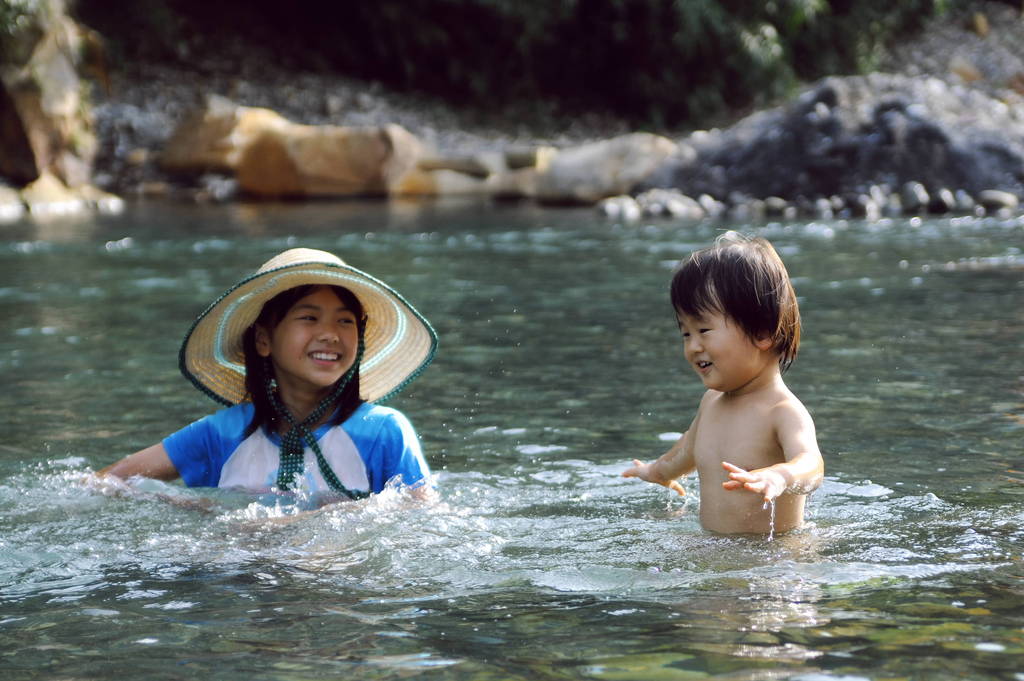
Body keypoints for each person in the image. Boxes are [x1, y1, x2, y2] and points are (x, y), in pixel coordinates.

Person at [98, 247, 438, 507]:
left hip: (338, 594)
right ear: (263, 340)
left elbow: (421, 515)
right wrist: (190, 506)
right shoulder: (222, 433)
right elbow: (106, 482)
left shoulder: (383, 432)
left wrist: (314, 520)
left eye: (345, 321)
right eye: (309, 318)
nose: (330, 335)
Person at [622, 232, 823, 535]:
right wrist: (657, 471)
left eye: (703, 329)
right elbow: (687, 451)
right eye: (685, 334)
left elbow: (811, 465)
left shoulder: (782, 411)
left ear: (762, 332)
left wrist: (781, 476)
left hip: (774, 565)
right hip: (714, 555)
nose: (693, 346)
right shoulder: (711, 402)